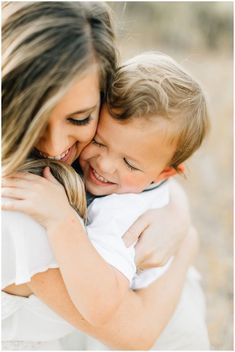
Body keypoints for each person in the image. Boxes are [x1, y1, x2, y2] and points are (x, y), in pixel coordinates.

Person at [2, 2, 201, 350]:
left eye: (80, 120)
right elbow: (135, 332)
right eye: (34, 118)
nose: (54, 147)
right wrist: (186, 243)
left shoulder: (93, 158)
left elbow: (152, 173)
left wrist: (174, 214)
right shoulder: (19, 205)